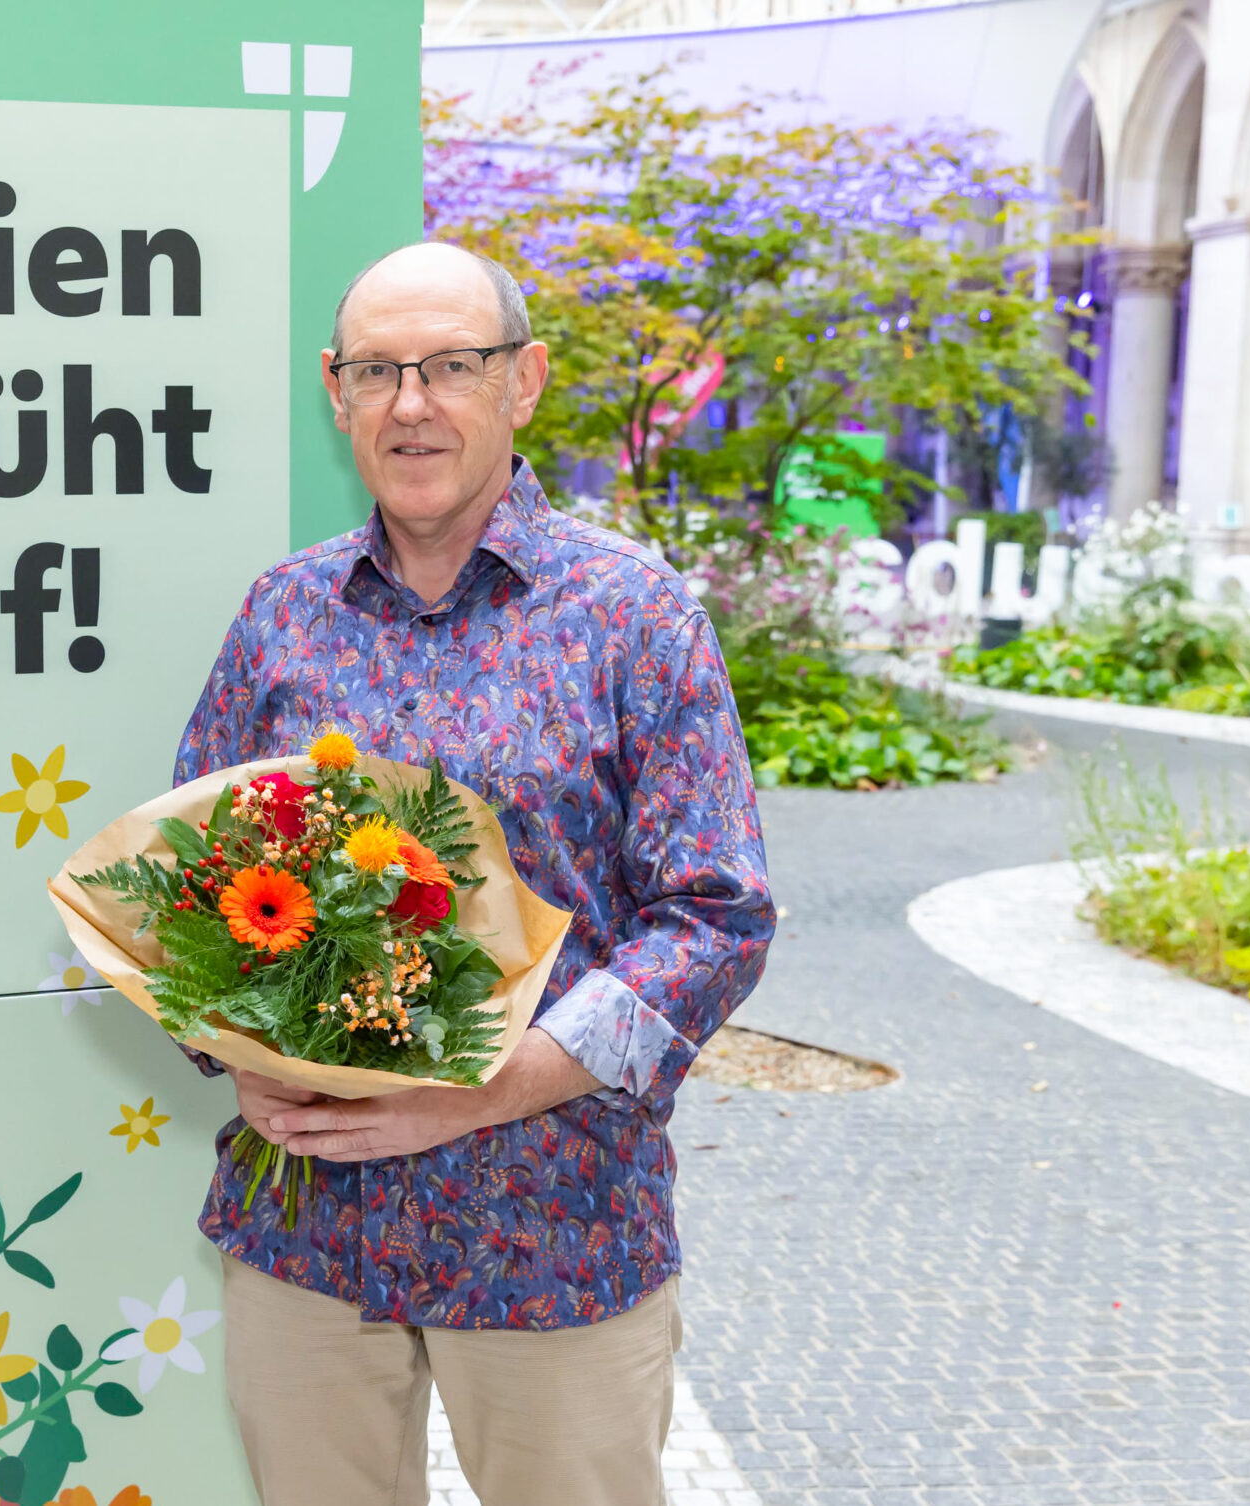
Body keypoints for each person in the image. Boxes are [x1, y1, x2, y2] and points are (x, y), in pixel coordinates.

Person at [174, 242, 776, 1506]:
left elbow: (714, 919)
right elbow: (192, 882)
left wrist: (494, 1086)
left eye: (451, 365)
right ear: (335, 390)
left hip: (551, 1226)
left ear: (525, 380)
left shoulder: (633, 614)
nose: (411, 404)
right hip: (305, 1228)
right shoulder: (283, 615)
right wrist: (236, 1052)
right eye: (377, 371)